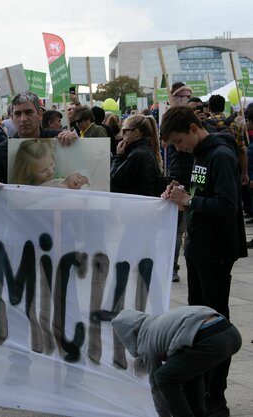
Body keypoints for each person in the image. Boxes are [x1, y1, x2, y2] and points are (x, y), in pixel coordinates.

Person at [161, 105, 246, 416]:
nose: (179, 149)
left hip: (216, 252)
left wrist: (190, 200)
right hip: (197, 248)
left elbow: (227, 204)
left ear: (194, 129)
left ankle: (216, 394)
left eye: (179, 142)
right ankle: (202, 385)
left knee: (215, 326)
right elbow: (202, 193)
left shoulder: (220, 155)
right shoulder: (199, 154)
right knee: (197, 324)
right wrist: (183, 194)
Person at [112, 306, 241, 417]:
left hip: (210, 339)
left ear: (126, 335)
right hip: (232, 335)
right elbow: (195, 372)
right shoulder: (158, 322)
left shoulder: (146, 341)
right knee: (189, 373)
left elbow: (156, 386)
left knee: (163, 377)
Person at [0, 91, 77, 186]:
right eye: (18, 114)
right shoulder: (2, 151)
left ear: (39, 115)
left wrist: (75, 142)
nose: (23, 119)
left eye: (28, 112)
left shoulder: (58, 139)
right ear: (12, 117)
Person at [111, 114, 163, 196]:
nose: (122, 135)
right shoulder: (146, 150)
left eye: (124, 131)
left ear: (136, 133)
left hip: (137, 205)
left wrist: (118, 156)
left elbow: (114, 181)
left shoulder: (137, 154)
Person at [11, 139, 88, 188]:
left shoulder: (57, 175)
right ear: (28, 172)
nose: (50, 171)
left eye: (51, 164)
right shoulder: (32, 189)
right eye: (43, 171)